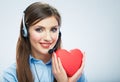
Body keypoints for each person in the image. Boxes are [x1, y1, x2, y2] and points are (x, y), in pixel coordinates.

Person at [0, 2, 87, 82]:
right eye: (39, 29)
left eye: (53, 29)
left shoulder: (72, 69)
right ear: (25, 32)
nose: (48, 38)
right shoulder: (11, 75)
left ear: (59, 33)